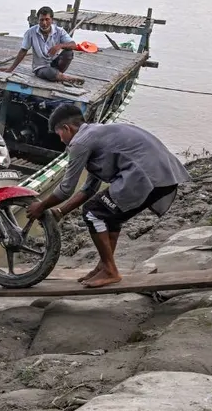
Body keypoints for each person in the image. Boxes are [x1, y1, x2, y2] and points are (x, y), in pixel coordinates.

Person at [26, 105, 191, 288]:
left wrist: (40, 206)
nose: (61, 140)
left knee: (92, 212)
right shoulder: (97, 135)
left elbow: (66, 189)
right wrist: (60, 212)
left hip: (147, 177)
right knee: (110, 216)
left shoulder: (80, 142)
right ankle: (103, 267)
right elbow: (88, 189)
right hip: (165, 176)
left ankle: (110, 271)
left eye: (59, 134)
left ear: (67, 128)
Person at [2, 7, 84, 86]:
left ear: (52, 20)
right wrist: (11, 68)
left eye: (47, 19)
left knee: (68, 53)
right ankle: (66, 78)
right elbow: (23, 50)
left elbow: (73, 45)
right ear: (38, 20)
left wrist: (59, 46)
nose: (44, 23)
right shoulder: (31, 32)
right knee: (50, 72)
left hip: (55, 63)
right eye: (41, 20)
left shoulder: (59, 31)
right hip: (40, 67)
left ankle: (59, 75)